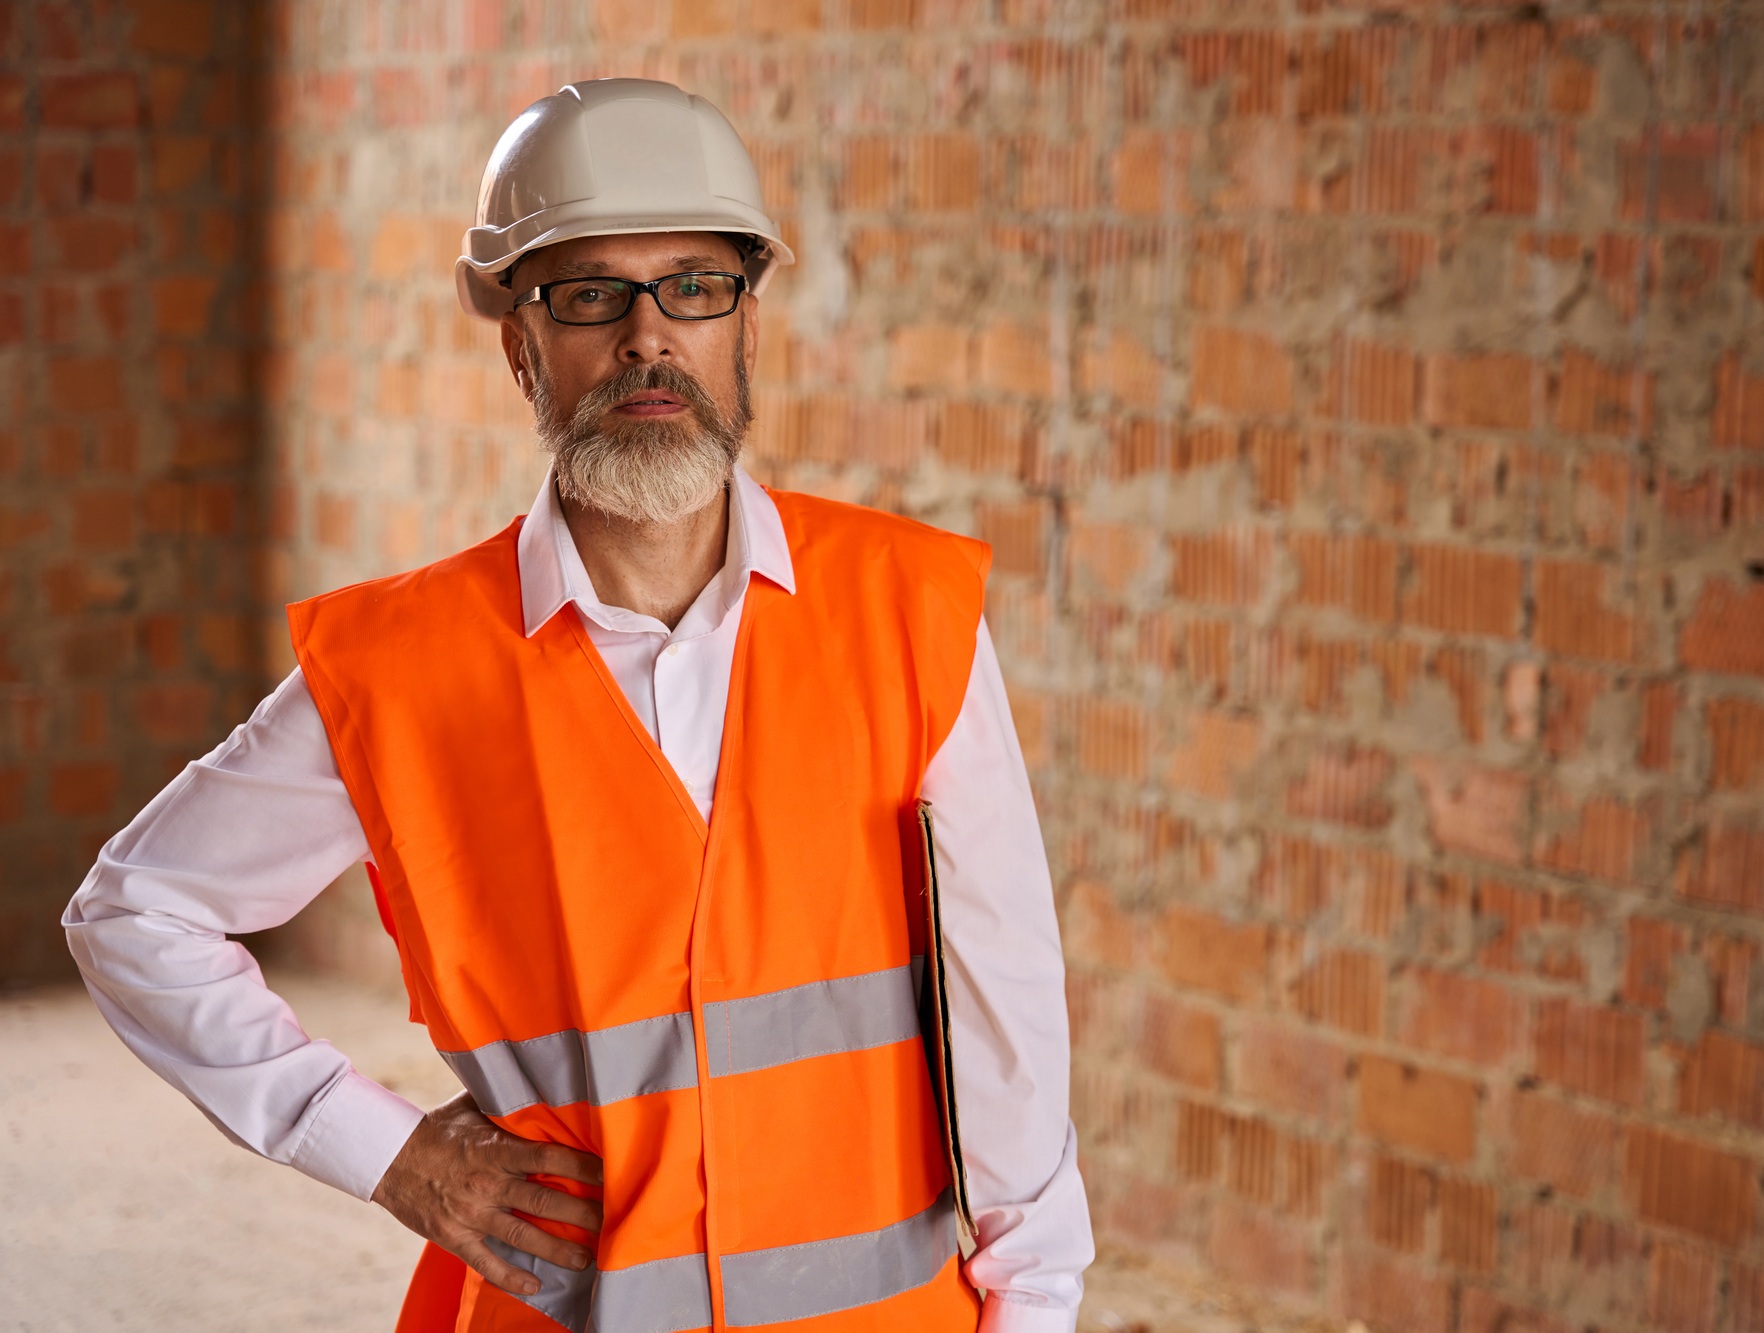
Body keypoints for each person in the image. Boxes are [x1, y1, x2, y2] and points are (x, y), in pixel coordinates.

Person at [63, 78, 1090, 1333]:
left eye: (693, 285)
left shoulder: (908, 609)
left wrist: (1033, 1307)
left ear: (743, 326)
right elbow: (136, 911)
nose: (648, 338)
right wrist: (386, 1152)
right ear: (517, 341)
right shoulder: (403, 666)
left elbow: (1008, 1010)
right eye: (590, 293)